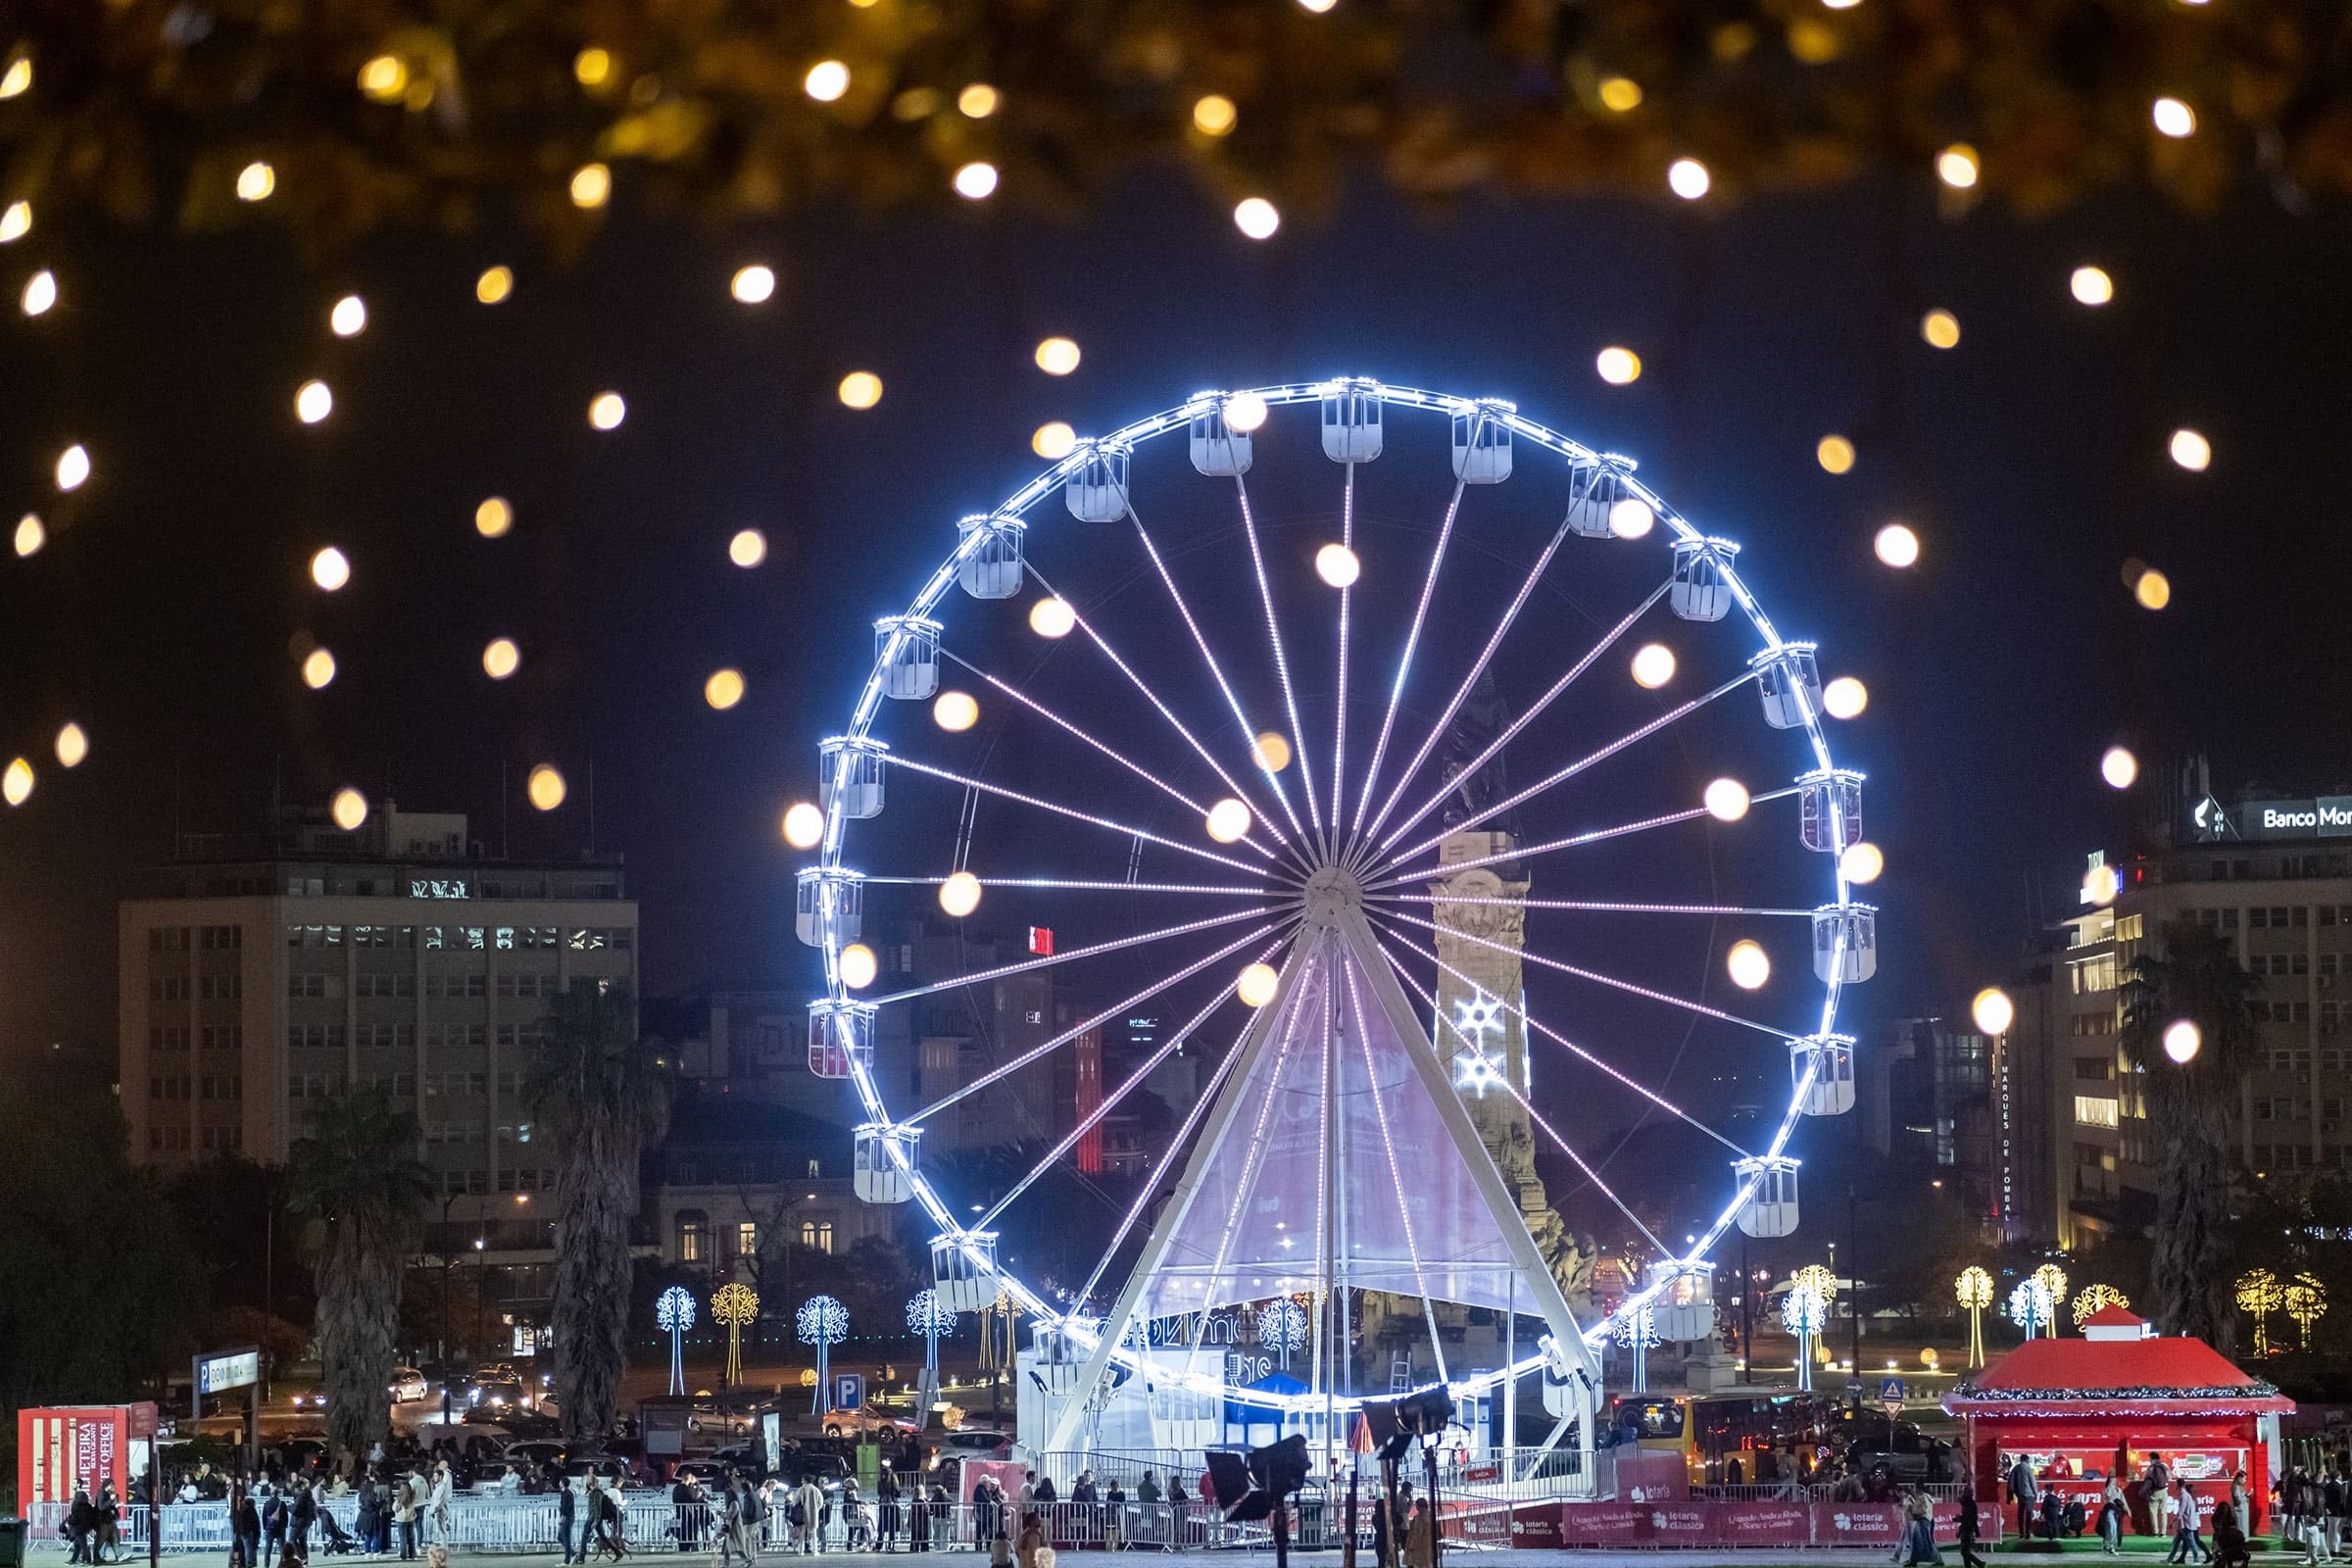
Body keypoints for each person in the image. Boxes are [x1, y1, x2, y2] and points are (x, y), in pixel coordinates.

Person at [2170, 1481, 2209, 1566]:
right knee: (2176, 1542)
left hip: (2186, 1523)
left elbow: (2181, 1511)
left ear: (2178, 1484)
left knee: (2192, 1542)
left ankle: (2197, 1559)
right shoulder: (2186, 1496)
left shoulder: (2184, 1496)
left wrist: (2173, 1521)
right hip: (2184, 1523)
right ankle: (2170, 1559)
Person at [2007, 1453, 2039, 1543]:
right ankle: (2027, 1533)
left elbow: (2011, 1482)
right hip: (2029, 1494)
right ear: (2027, 1460)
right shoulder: (2028, 1468)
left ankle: (2021, 1532)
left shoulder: (2015, 1468)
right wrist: (2035, 1492)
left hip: (2020, 1494)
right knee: (2028, 1514)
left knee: (2020, 1513)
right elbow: (2032, 1482)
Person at [1955, 1477, 1984, 1568]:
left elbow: (1969, 1518)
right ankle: (1970, 1566)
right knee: (1965, 1551)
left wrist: (1959, 1519)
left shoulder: (1969, 1504)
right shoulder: (1968, 1503)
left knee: (1964, 1551)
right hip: (1966, 1528)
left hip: (1967, 1529)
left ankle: (1980, 1563)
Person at [2214, 1501, 2252, 1568]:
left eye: (2226, 1508)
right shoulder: (2237, 1533)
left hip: (2229, 1551)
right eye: (2223, 1508)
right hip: (2231, 1550)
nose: (2225, 1510)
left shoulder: (2234, 1533)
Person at [793, 1476, 824, 1555]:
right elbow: (820, 1502)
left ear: (805, 1480)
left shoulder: (801, 1489)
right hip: (813, 1513)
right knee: (813, 1533)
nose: (801, 1481)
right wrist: (816, 1509)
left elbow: (795, 1501)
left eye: (802, 1479)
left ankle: (800, 1551)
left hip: (802, 1514)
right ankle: (815, 1551)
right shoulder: (816, 1489)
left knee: (801, 1533)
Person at [2148, 1453, 2175, 1542]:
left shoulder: (2151, 1467)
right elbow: (2170, 1477)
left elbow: (2146, 1478)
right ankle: (2163, 1532)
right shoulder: (2164, 1466)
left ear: (2152, 1458)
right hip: (2164, 1491)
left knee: (2153, 1512)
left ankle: (2155, 1532)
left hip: (2154, 1492)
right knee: (2163, 1512)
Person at [2099, 1478, 2129, 1556]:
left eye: (2115, 1481)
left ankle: (2107, 1544)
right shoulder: (2107, 1490)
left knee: (2115, 1530)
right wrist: (2110, 1486)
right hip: (2109, 1511)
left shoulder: (2119, 1490)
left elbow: (2123, 1500)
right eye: (2112, 1481)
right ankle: (2110, 1546)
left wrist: (2127, 1510)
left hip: (2117, 1512)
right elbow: (2108, 1496)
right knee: (2111, 1529)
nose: (2114, 1482)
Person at [557, 1471, 579, 1567]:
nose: (559, 1483)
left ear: (563, 1483)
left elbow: (566, 1507)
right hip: (567, 1517)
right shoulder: (565, 1493)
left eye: (560, 1482)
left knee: (565, 1538)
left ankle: (567, 1560)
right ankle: (573, 1554)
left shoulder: (567, 1494)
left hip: (567, 1518)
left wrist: (563, 1517)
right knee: (561, 1537)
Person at [1404, 1500, 1435, 1568]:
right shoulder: (1430, 1515)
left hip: (1420, 1545)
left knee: (1419, 1565)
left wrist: (1412, 1546)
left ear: (1418, 1506)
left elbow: (1417, 1533)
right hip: (1429, 1543)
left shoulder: (1420, 1517)